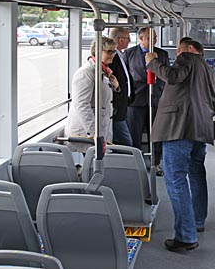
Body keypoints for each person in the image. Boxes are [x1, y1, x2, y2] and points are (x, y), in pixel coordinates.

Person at [145, 39, 215, 252]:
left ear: (190, 49)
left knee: (175, 178)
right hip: (200, 129)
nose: (177, 54)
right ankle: (197, 221)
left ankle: (186, 236)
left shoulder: (187, 59)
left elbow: (172, 76)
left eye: (179, 49)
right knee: (196, 173)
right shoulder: (210, 71)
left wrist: (153, 62)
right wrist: (200, 117)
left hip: (178, 129)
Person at [64, 36, 119, 153]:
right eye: (109, 51)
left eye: (114, 51)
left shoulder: (105, 71)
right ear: (97, 51)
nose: (112, 54)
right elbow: (81, 104)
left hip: (100, 129)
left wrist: (115, 87)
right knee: (92, 167)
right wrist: (94, 132)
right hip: (86, 133)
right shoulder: (86, 72)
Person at [124, 27, 169, 171]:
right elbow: (126, 77)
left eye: (155, 37)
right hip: (136, 100)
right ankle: (135, 163)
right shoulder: (129, 54)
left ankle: (156, 163)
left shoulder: (162, 54)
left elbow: (166, 76)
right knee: (134, 133)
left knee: (156, 133)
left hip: (156, 99)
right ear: (141, 38)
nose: (154, 40)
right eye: (151, 38)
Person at [109, 27, 134, 146]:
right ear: (120, 40)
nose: (129, 41)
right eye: (128, 38)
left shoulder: (121, 55)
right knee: (126, 143)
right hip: (116, 108)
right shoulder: (113, 59)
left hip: (123, 105)